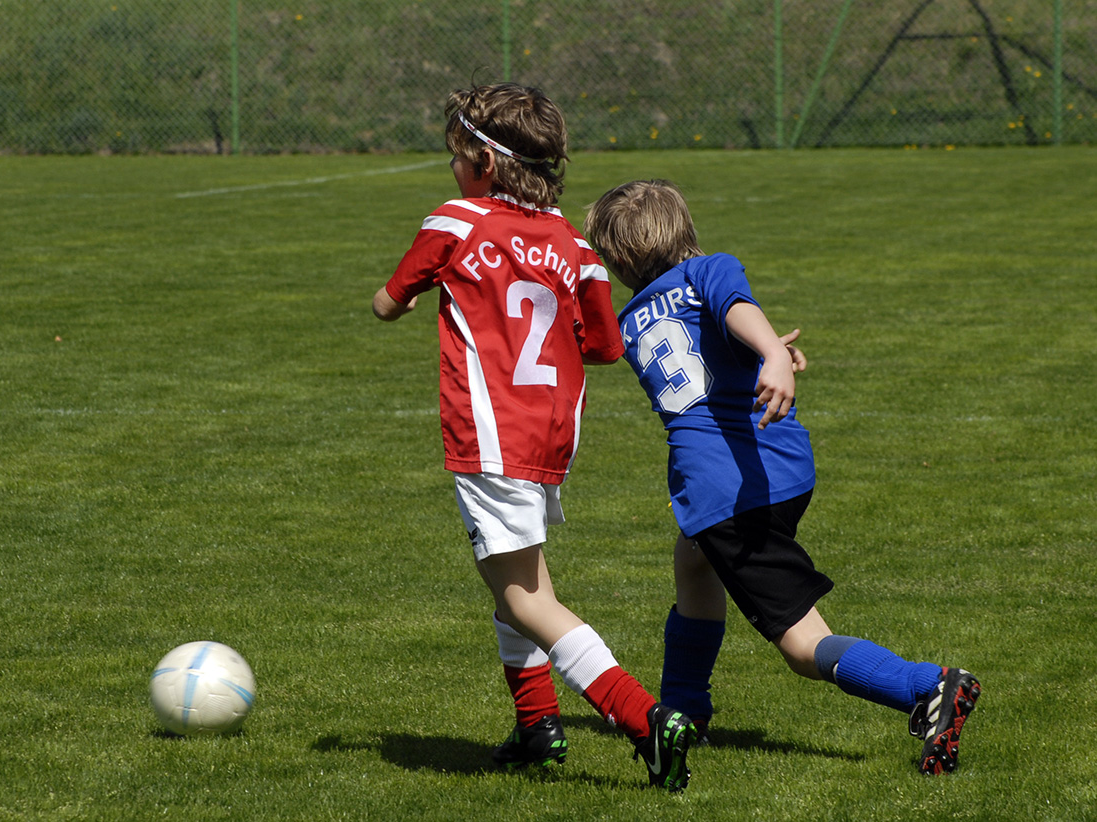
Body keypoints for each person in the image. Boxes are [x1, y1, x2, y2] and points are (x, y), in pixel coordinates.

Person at [582, 179, 981, 776]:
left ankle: (928, 686)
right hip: (775, 469)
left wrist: (767, 352)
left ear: (617, 259)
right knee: (693, 560)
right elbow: (731, 310)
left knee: (801, 645)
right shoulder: (709, 271)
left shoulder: (632, 321)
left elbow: (726, 321)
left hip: (724, 495)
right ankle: (684, 711)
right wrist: (768, 349)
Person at [371, 86, 692, 790]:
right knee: (512, 580)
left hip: (490, 434)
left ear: (485, 163)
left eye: (456, 156)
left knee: (525, 597)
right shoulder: (576, 247)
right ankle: (537, 727)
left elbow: (386, 303)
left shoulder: (456, 221)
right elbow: (603, 348)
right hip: (550, 436)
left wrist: (423, 294)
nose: (451, 169)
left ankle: (644, 719)